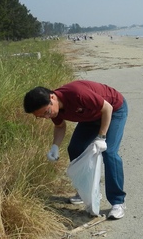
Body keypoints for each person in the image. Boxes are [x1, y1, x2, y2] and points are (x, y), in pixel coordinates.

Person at [23, 81, 128, 219]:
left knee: (109, 153)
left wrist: (101, 137)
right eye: (41, 116)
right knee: (75, 149)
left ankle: (118, 202)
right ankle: (86, 191)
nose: (47, 117)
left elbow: (106, 108)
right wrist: (55, 146)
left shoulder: (77, 94)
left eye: (47, 112)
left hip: (114, 110)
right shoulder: (55, 111)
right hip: (91, 118)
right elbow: (60, 127)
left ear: (52, 97)